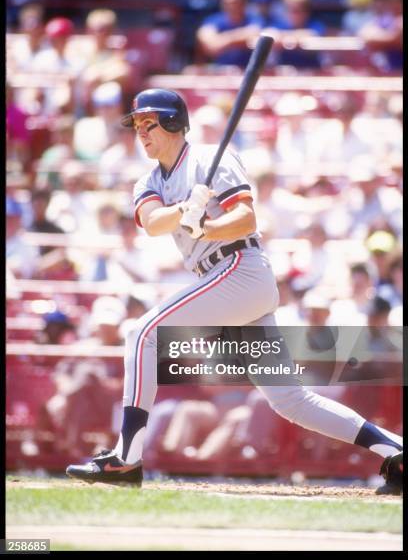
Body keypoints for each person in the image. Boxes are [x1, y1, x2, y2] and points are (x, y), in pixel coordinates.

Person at [66, 87, 402, 494]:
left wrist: (204, 224)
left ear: (173, 123)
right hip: (223, 281)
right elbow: (153, 223)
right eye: (137, 125)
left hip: (242, 270)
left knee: (143, 332)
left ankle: (126, 457)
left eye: (148, 123)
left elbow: (244, 219)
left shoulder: (212, 159)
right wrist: (185, 210)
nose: (141, 132)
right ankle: (395, 451)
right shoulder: (148, 180)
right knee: (290, 400)